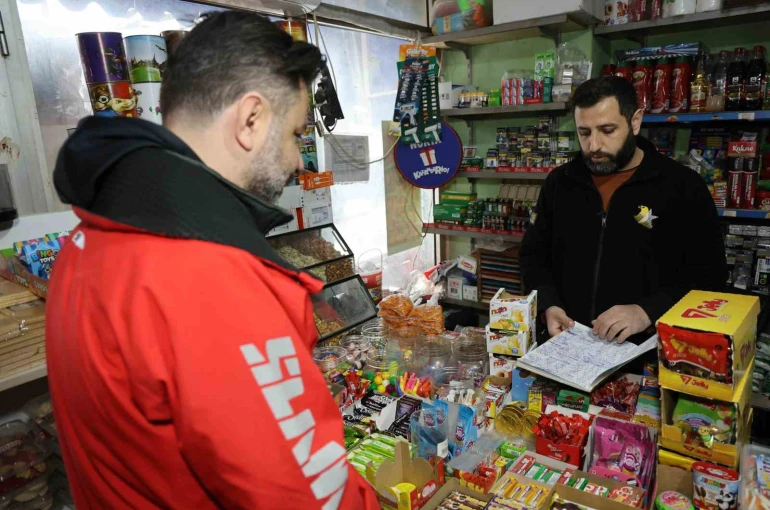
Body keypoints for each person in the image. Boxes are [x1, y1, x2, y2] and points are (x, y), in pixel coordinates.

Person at [47, 12, 379, 510]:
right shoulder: (212, 278)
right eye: (293, 134)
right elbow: (306, 496)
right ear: (250, 119)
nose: (296, 161)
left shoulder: (91, 233)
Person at [520, 76, 726, 345]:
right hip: (566, 346)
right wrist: (549, 304)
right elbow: (533, 255)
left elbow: (710, 277)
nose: (594, 145)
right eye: (584, 132)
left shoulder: (682, 186)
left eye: (607, 130)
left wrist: (647, 311)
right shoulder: (560, 183)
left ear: (635, 121)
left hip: (645, 354)